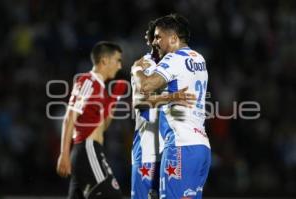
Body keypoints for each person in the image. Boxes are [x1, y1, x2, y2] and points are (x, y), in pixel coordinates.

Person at [132, 14, 211, 199]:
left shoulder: (173, 59)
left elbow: (145, 86)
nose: (155, 42)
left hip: (180, 145)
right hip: (201, 146)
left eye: (159, 37)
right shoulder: (199, 58)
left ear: (174, 38)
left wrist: (136, 69)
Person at [56, 41, 127, 199]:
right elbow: (70, 117)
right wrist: (64, 153)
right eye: (118, 60)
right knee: (112, 196)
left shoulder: (100, 88)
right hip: (87, 149)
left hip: (91, 150)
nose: (120, 66)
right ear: (104, 60)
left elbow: (103, 126)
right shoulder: (88, 81)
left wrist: (114, 99)